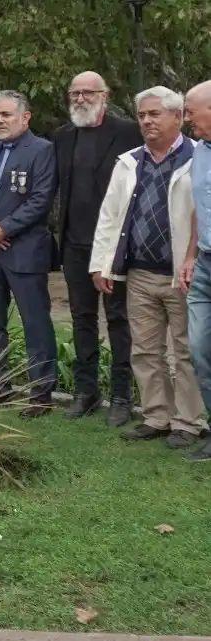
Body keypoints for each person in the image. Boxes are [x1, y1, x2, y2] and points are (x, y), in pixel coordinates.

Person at [90, 86, 203, 448]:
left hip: (183, 275)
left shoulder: (199, 158)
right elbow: (109, 217)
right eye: (142, 115)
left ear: (177, 117)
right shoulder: (129, 162)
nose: (146, 121)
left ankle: (188, 422)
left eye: (155, 114)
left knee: (186, 351)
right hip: (138, 273)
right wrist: (101, 264)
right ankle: (156, 416)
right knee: (145, 349)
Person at [53, 72, 142, 425]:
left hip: (115, 245)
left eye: (87, 92)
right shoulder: (63, 136)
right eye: (74, 92)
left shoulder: (128, 132)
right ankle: (86, 392)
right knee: (82, 319)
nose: (80, 98)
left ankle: (122, 396)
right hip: (75, 244)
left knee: (119, 320)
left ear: (105, 95)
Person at [0, 91, 58, 416]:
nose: (0, 121)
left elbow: (40, 199)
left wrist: (3, 228)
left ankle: (41, 394)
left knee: (35, 324)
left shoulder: (42, 150)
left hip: (24, 252)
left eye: (6, 115)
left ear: (25, 117)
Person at [177, 81, 211, 461]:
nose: (187, 120)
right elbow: (201, 208)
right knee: (201, 350)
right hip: (204, 263)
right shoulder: (200, 152)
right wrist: (190, 256)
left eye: (190, 112)